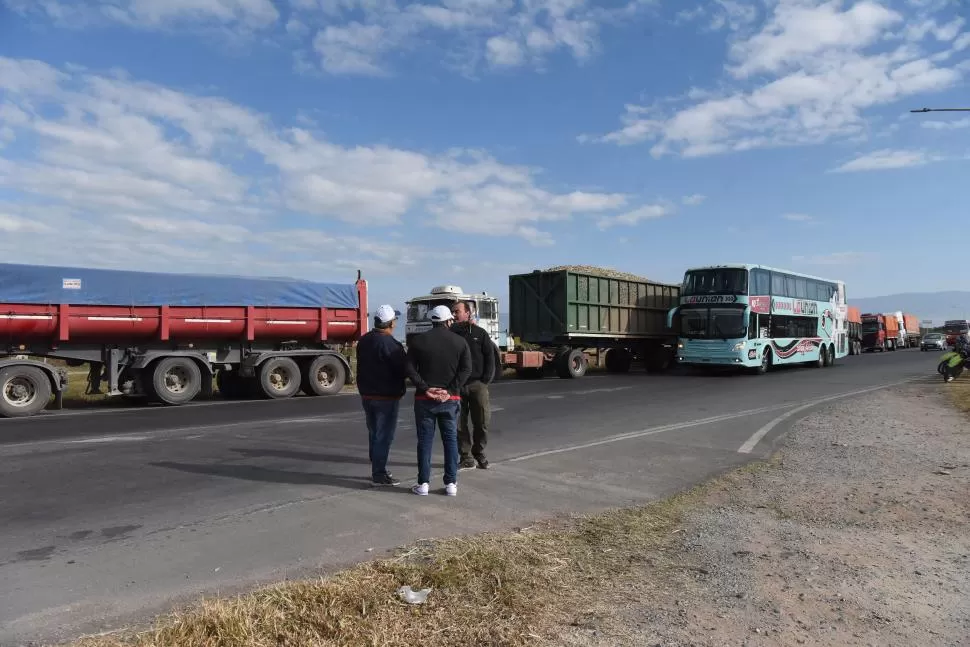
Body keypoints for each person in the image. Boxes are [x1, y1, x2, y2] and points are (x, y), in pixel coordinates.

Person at [355, 304, 428, 486]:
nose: (395, 322)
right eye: (394, 319)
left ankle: (376, 463)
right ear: (390, 323)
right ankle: (379, 473)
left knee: (373, 432)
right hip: (385, 397)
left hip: (367, 395)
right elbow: (402, 369)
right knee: (384, 435)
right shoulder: (391, 344)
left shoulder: (364, 340)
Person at [405, 305, 472, 496]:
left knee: (425, 442)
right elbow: (466, 369)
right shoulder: (460, 342)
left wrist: (426, 388)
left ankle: (423, 484)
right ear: (448, 321)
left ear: (432, 321)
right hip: (451, 399)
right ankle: (451, 483)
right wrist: (449, 390)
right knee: (450, 440)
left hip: (424, 399)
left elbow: (409, 369)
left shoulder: (418, 342)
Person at [450, 301, 496, 470]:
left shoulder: (480, 334)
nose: (454, 314)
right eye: (452, 312)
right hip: (457, 386)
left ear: (468, 312)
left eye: (457, 311)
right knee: (459, 424)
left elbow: (490, 358)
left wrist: (485, 381)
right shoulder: (451, 334)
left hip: (478, 385)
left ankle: (479, 452)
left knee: (482, 421)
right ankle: (465, 456)